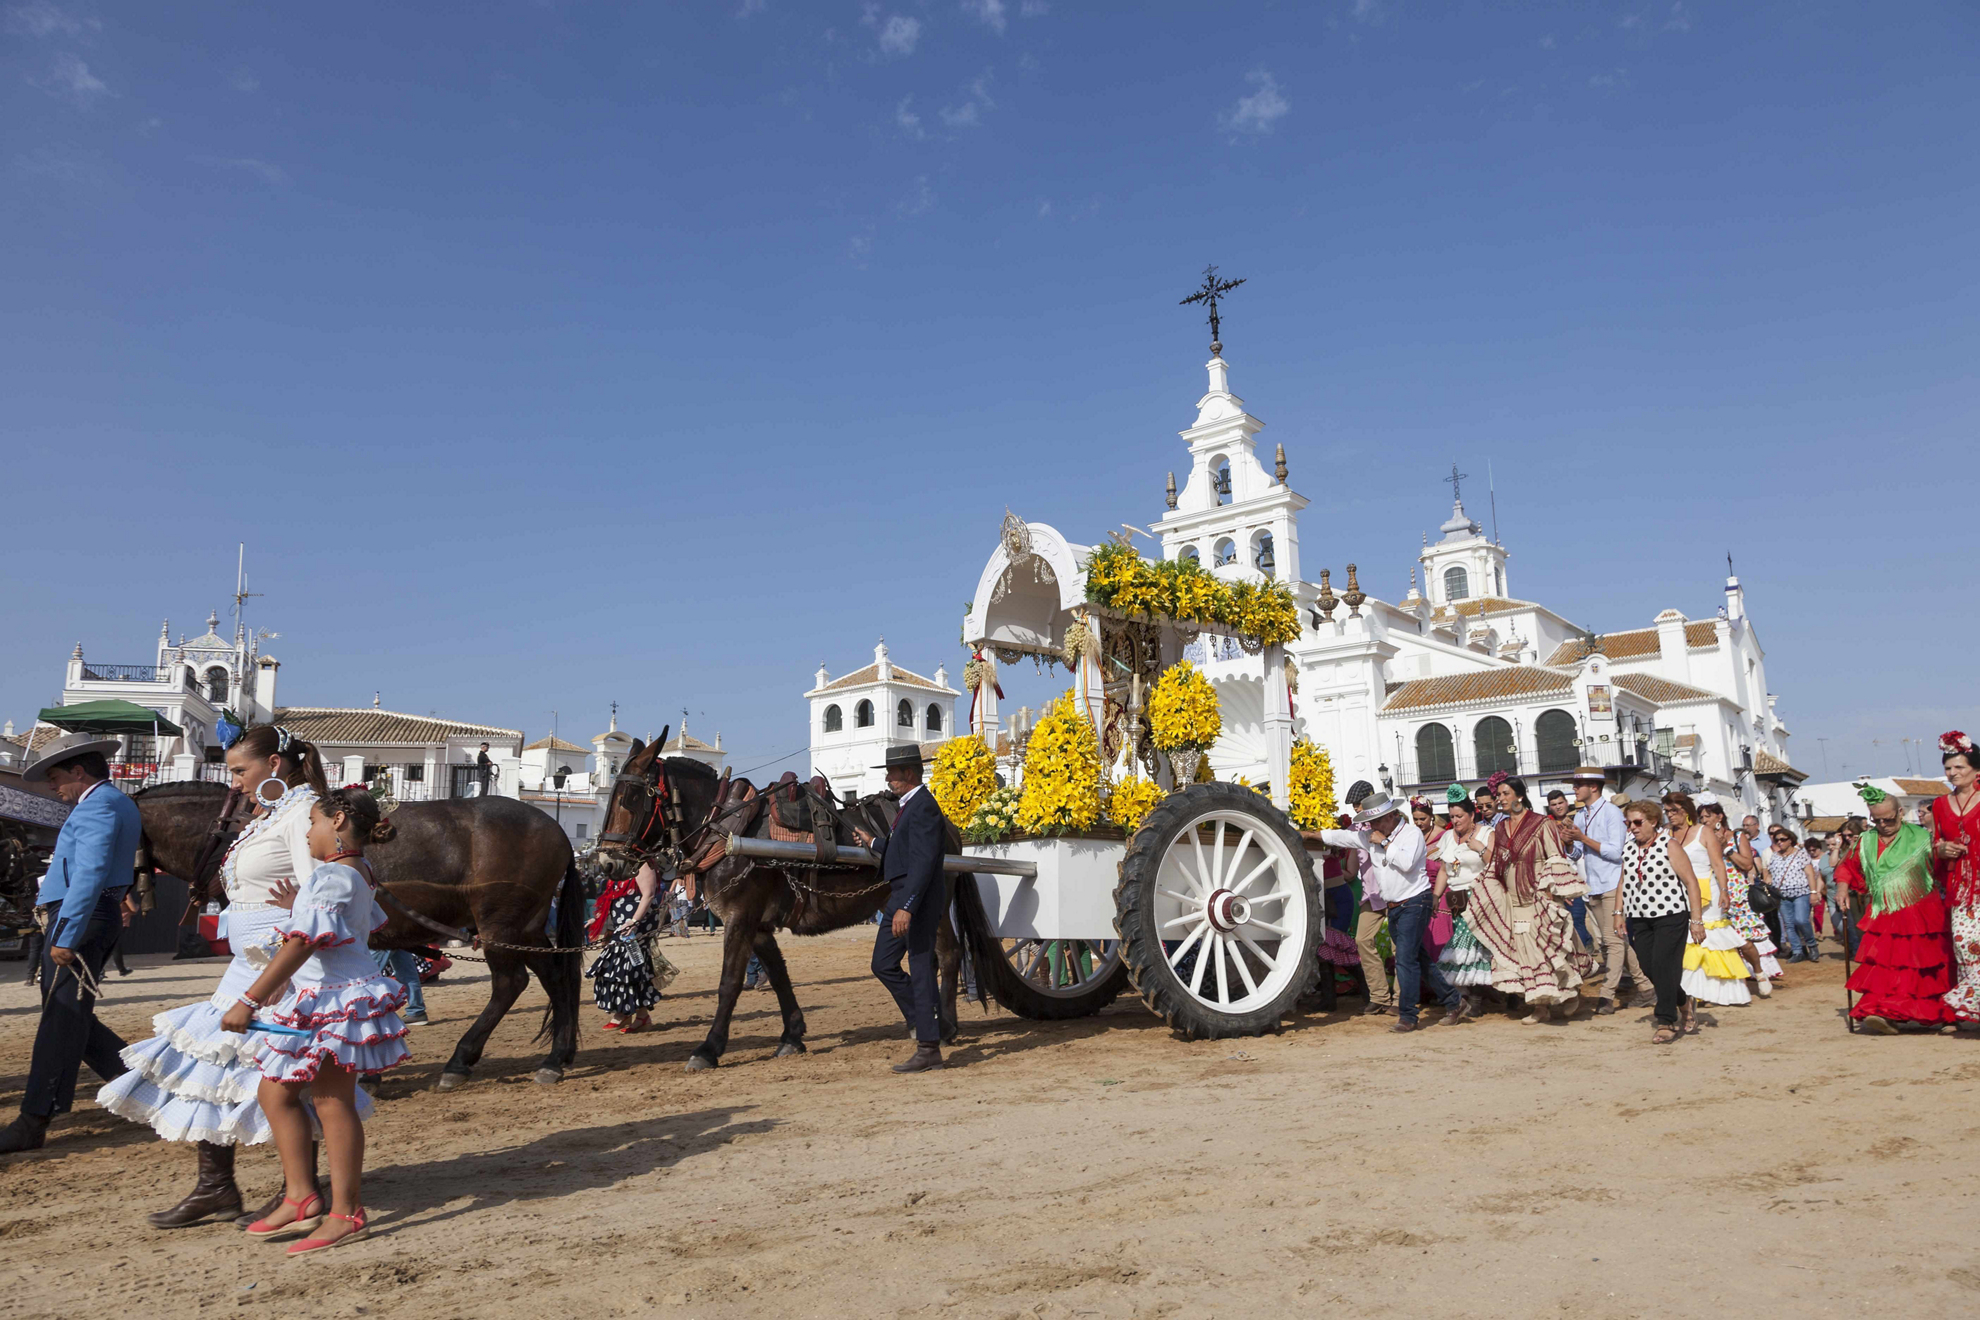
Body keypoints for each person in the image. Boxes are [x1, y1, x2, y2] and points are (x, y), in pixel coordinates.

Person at [97, 724, 329, 1228]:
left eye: (240, 771)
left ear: (274, 764)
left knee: (277, 1073)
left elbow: (321, 895)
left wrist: (292, 923)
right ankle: (221, 1186)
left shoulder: (303, 811)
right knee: (217, 1062)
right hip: (250, 960)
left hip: (280, 966)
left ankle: (294, 1189)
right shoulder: (271, 811)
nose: (235, 782)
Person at [221, 786, 409, 1253]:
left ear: (339, 822)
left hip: (333, 1000)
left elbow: (305, 941)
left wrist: (250, 998)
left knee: (330, 1099)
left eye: (313, 823)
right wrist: (299, 907)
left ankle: (345, 1211)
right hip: (321, 997)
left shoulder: (332, 876)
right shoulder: (354, 872)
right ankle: (302, 1196)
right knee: (275, 1091)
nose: (307, 833)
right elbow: (349, 924)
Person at [0, 734, 138, 1155]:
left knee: (60, 1020)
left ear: (79, 771)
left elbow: (91, 871)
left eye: (56, 776)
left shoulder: (97, 804)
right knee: (72, 1017)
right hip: (92, 912)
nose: (52, 786)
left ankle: (33, 1119)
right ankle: (144, 1085)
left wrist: (67, 932)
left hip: (81, 915)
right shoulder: (113, 802)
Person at [1320, 791, 1465, 1031]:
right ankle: (1454, 1001)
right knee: (1417, 958)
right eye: (1370, 822)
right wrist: (1308, 834)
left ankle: (1408, 1015)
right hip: (1396, 905)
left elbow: (1407, 864)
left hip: (1415, 902)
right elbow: (1341, 837)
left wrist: (1384, 843)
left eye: (1376, 820)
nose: (1372, 826)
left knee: (1406, 961)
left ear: (1392, 816)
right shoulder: (1371, 835)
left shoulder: (1411, 834)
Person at [850, 744, 952, 1073]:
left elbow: (922, 863)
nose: (887, 778)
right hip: (901, 897)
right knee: (882, 964)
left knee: (921, 970)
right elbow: (901, 849)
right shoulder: (909, 806)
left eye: (892, 773)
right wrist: (872, 842)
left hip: (914, 900)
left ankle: (928, 1047)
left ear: (908, 774)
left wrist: (907, 907)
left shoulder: (923, 806)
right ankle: (932, 1021)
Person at [1467, 773, 1590, 1023]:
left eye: (1505, 794)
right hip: (1513, 896)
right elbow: (1498, 861)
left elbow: (1555, 856)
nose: (1500, 799)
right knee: (1525, 952)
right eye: (1498, 795)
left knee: (1548, 946)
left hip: (1538, 892)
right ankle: (1540, 1006)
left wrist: (1550, 890)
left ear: (1519, 796)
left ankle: (1570, 990)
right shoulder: (1500, 827)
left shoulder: (1542, 823)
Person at [1841, 784, 1955, 1034]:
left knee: (1929, 964)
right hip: (1885, 913)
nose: (1883, 824)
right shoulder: (1865, 841)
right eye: (1877, 820)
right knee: (1886, 966)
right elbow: (1847, 868)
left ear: (1901, 812)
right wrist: (1841, 889)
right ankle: (1885, 1013)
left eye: (1888, 819)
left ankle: (1945, 1014)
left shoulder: (1923, 837)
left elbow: (1942, 867)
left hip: (1923, 911)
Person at [1617, 800, 1706, 1043]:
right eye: (1629, 823)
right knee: (1649, 967)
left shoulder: (1669, 845)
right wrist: (1618, 912)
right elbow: (1624, 881)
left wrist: (1696, 921)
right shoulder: (1629, 848)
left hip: (1671, 914)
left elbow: (1691, 882)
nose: (1632, 827)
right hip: (1639, 916)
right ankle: (1683, 1000)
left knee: (1665, 964)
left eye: (1637, 822)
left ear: (1653, 821)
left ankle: (1666, 1020)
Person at [1559, 768, 1643, 1014]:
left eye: (1578, 784)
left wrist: (1582, 839)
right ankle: (1646, 987)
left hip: (1612, 883)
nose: (1574, 789)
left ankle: (1606, 995)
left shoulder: (1612, 813)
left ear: (1593, 787)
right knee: (1612, 944)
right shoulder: (1581, 815)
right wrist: (1569, 842)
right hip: (1593, 884)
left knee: (1613, 942)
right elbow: (1578, 855)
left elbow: (1616, 852)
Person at [1672, 791, 1752, 1016]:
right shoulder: (1669, 834)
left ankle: (1720, 989)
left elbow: (1718, 864)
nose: (1670, 815)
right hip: (1681, 892)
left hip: (1709, 889)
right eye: (1667, 811)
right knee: (1689, 939)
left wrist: (1725, 891)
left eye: (1674, 811)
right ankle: (1693, 989)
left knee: (1711, 937)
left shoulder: (1704, 832)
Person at [1698, 794, 1780, 996]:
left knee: (1745, 940)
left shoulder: (1737, 836)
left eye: (1707, 816)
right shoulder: (1703, 840)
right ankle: (1735, 981)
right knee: (1721, 940)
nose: (1704, 821)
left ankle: (1759, 972)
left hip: (1738, 894)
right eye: (1701, 818)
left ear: (1719, 817)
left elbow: (1747, 864)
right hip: (1713, 894)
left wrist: (1725, 848)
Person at [586, 859, 674, 1032]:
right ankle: (640, 1016)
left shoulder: (642, 864)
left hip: (637, 926)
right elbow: (611, 899)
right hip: (622, 927)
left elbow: (648, 894)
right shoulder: (619, 867)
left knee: (622, 968)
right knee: (632, 970)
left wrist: (634, 921)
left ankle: (623, 1014)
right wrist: (597, 919)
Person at [1931, 731, 1980, 1027]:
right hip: (1960, 888)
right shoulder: (1939, 804)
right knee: (1964, 945)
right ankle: (1970, 1009)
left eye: (1959, 767)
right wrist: (1941, 849)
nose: (1953, 773)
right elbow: (1935, 843)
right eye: (1948, 768)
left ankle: (1965, 999)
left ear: (1976, 769)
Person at [1433, 784, 1494, 1001]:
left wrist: (1479, 847)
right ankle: (1471, 995)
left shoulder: (1486, 833)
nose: (1456, 820)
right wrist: (1436, 896)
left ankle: (1480, 994)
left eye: (1459, 816)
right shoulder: (1447, 837)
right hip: (1456, 896)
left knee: (1477, 942)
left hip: (1481, 893)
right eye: (1452, 816)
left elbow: (1495, 862)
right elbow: (1444, 869)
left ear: (1471, 814)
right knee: (1464, 943)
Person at [1765, 824, 1822, 962]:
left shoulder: (1801, 855)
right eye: (1777, 840)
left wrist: (1814, 892)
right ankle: (1797, 951)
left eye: (1783, 839)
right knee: (1789, 925)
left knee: (1801, 920)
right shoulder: (1775, 857)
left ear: (1791, 840)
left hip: (1801, 893)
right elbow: (1770, 874)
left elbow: (1810, 874)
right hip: (1782, 895)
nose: (1779, 842)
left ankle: (1812, 945)